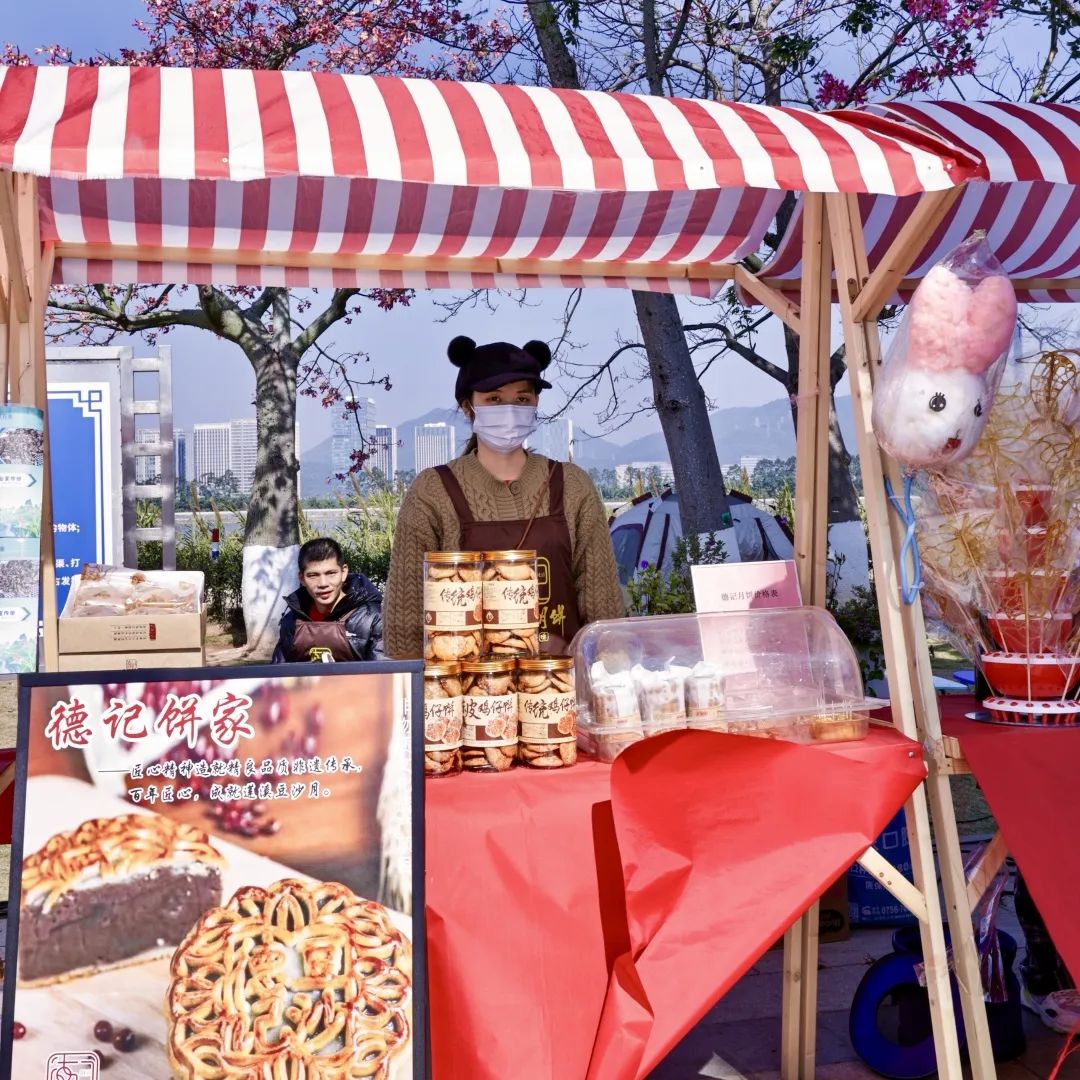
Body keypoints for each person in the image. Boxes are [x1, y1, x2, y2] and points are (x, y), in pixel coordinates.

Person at [385, 335, 625, 658]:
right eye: (494, 399)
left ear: (536, 403)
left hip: (560, 682)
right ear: (467, 406)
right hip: (465, 686)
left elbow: (604, 616)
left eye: (522, 399)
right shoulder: (431, 492)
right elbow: (405, 627)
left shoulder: (573, 486)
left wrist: (606, 670)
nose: (509, 410)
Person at [273, 537, 384, 663]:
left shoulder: (373, 618)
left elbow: (383, 671)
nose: (323, 583)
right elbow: (278, 672)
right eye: (313, 575)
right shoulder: (291, 620)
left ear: (344, 572)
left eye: (331, 573)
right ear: (302, 578)